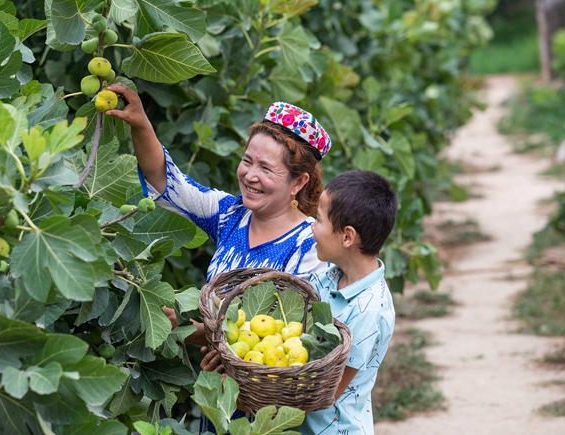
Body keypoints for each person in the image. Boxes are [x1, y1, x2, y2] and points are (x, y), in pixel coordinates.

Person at [104, 84, 332, 430]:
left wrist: (211, 343)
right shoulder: (231, 215)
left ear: (298, 182)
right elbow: (167, 181)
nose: (250, 176)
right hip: (219, 399)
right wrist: (140, 124)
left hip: (268, 413)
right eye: (246, 161)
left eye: (266, 169)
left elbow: (296, 342)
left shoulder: (310, 246)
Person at [299, 169, 398, 435]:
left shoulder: (370, 309)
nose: (312, 227)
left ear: (347, 237)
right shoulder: (327, 277)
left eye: (318, 220)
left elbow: (328, 392)